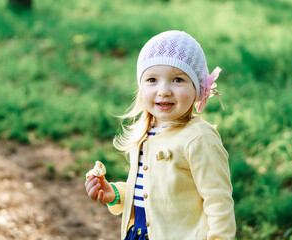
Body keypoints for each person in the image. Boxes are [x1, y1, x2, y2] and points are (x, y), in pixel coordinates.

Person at [85, 30, 236, 240]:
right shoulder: (148, 131)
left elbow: (219, 202)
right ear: (141, 86)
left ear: (198, 88)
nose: (163, 90)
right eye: (152, 79)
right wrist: (116, 194)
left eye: (177, 80)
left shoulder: (199, 138)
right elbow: (155, 192)